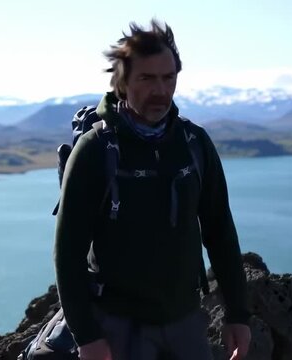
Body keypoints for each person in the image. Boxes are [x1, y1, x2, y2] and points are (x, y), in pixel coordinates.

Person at [54, 19, 251, 360]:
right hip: (117, 326)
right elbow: (68, 252)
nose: (160, 90)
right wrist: (86, 336)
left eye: (168, 77)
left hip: (186, 322)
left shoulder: (194, 143)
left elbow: (219, 229)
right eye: (147, 78)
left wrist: (237, 314)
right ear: (122, 82)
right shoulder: (95, 150)